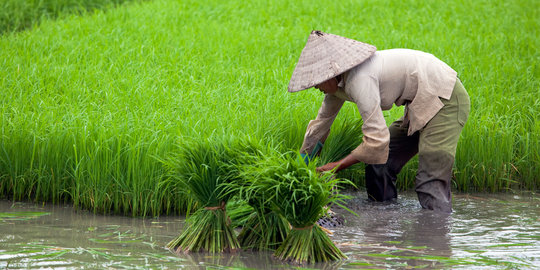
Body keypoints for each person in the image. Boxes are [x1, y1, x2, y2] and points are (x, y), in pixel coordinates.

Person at [288, 30, 470, 213]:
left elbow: (377, 140)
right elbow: (320, 125)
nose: (316, 87)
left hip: (445, 98)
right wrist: (301, 165)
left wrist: (335, 167)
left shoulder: (360, 79)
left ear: (330, 73)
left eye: (317, 82)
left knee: (429, 181)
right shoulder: (336, 86)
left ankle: (437, 232)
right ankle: (384, 221)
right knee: (380, 162)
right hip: (420, 103)